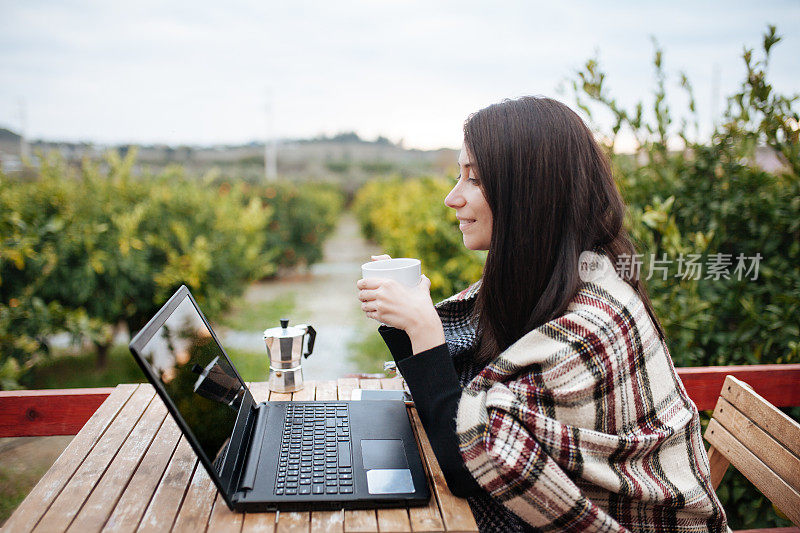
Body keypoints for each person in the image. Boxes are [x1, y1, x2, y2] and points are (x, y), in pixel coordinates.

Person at [357, 96, 727, 532]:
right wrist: (408, 323)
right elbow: (466, 411)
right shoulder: (551, 278)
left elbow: (470, 468)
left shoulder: (593, 324)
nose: (451, 197)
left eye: (473, 180)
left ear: (529, 194)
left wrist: (423, 328)